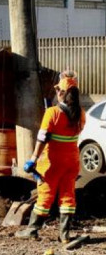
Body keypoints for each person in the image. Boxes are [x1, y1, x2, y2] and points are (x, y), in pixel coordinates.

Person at [16, 71, 85, 242]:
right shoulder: (81, 114)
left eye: (57, 89)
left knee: (45, 195)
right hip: (71, 162)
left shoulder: (53, 113)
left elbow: (42, 139)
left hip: (52, 162)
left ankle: (32, 230)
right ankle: (65, 235)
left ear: (61, 92)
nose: (55, 92)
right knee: (68, 195)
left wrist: (32, 159)